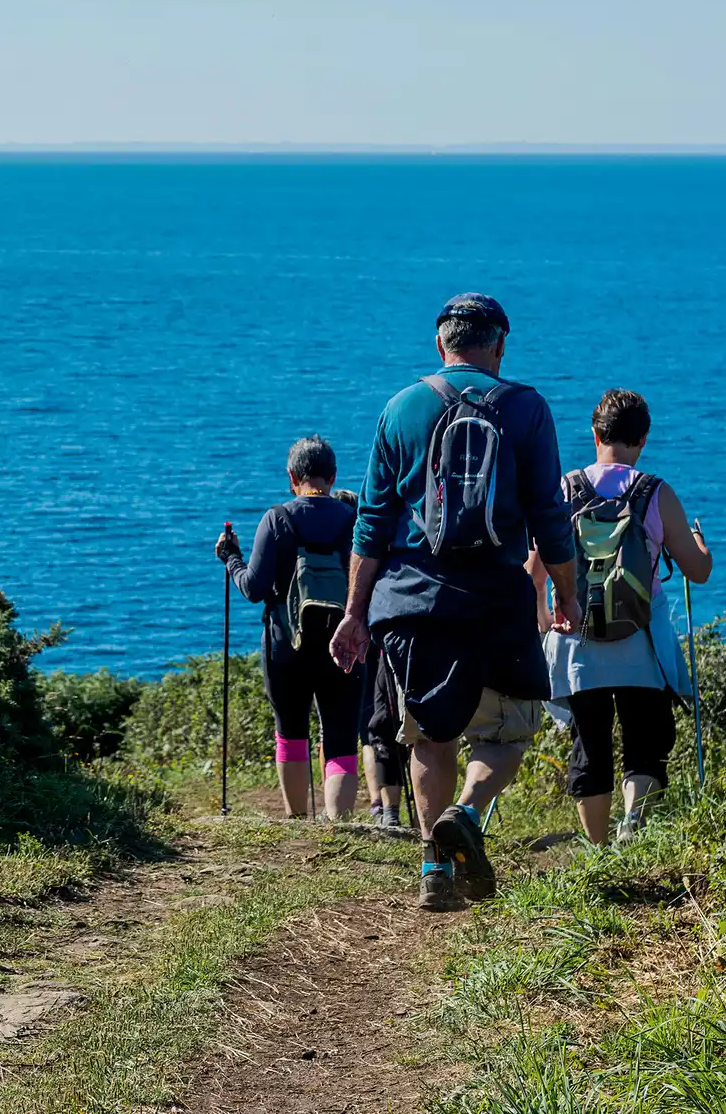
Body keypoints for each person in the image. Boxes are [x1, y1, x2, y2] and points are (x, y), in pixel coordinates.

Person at [329, 293, 580, 910]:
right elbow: (550, 516)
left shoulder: (402, 407)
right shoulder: (527, 409)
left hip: (414, 602)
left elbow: (372, 524)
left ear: (440, 344)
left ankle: (433, 873)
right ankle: (466, 813)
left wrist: (355, 613)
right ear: (498, 345)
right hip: (497, 597)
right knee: (510, 733)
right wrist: (567, 594)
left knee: (426, 740)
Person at [529, 389, 713, 845]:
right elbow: (697, 570)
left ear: (595, 435)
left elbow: (533, 572)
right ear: (643, 439)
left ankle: (597, 851)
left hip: (577, 641)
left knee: (590, 744)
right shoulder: (655, 493)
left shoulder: (564, 490)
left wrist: (543, 624)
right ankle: (633, 823)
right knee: (645, 739)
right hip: (641, 640)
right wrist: (700, 542)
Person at [215, 436, 363, 820]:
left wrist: (231, 558)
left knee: (291, 730)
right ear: (332, 477)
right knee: (341, 734)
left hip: (285, 643)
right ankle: (339, 826)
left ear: (291, 477)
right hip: (343, 641)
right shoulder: (353, 520)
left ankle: (298, 822)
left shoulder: (277, 519)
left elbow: (253, 588)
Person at [337, 490, 406, 829]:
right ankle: (386, 806)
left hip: (360, 644)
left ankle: (379, 803)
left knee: (372, 728)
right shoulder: (384, 547)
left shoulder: (350, 557)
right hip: (387, 638)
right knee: (387, 723)